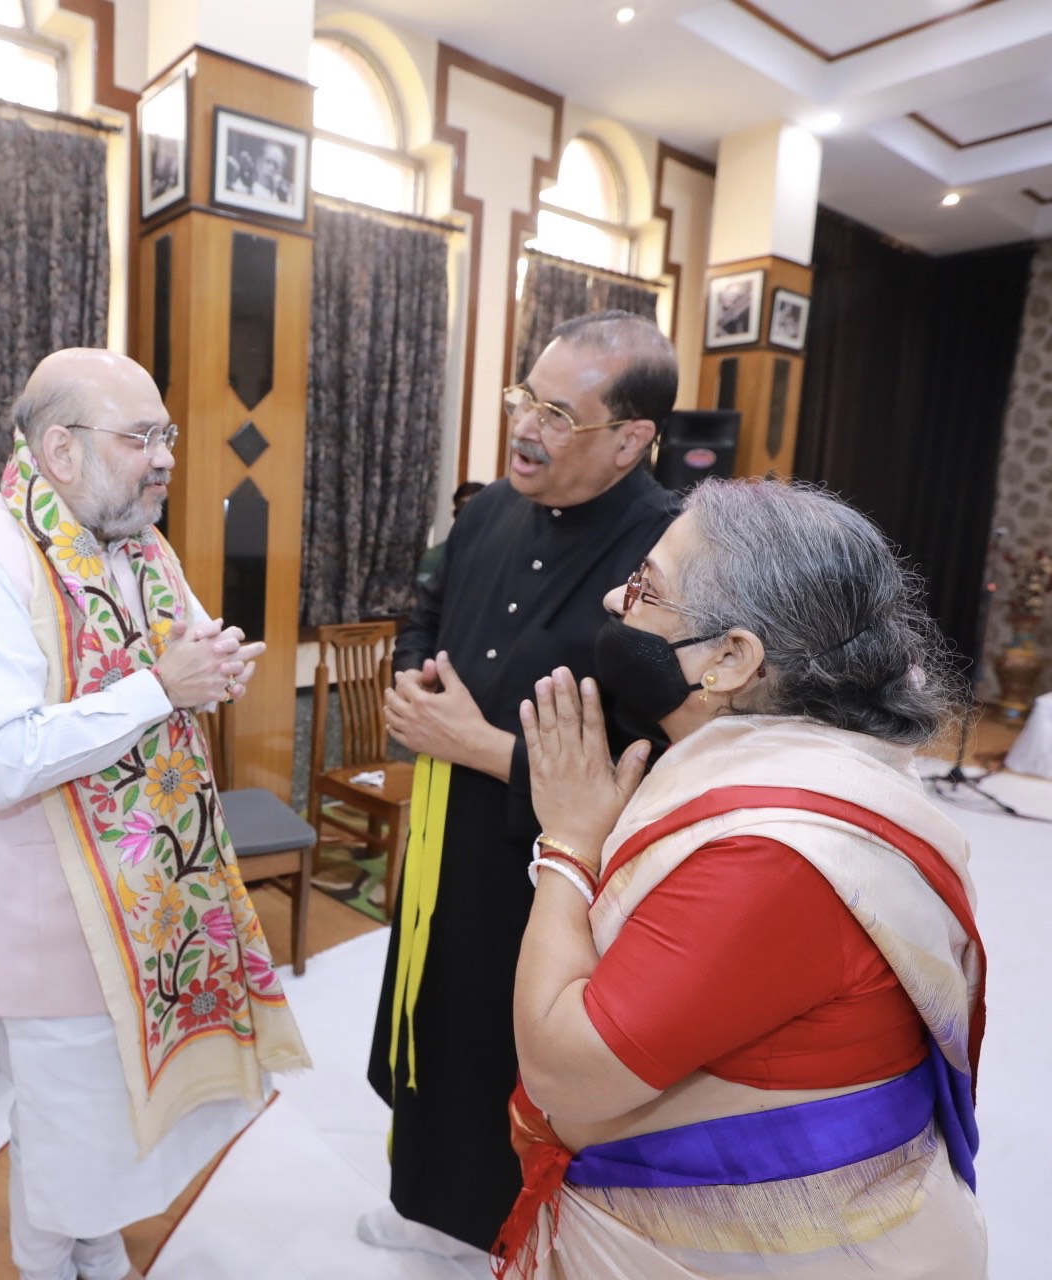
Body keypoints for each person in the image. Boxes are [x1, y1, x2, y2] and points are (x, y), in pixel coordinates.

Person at [499, 477, 987, 1278]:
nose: (618, 601)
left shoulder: (775, 855)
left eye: (647, 588)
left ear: (730, 658)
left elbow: (564, 1070)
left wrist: (568, 843)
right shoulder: (787, 761)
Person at [0, 348, 310, 1280]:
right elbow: (2, 762)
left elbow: (177, 653)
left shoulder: (135, 546)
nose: (166, 457)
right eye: (142, 437)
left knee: (118, 1121)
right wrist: (165, 689)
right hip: (52, 919)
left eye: (166, 435)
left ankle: (97, 1245)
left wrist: (207, 665)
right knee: (67, 1130)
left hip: (151, 901)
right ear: (60, 449)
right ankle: (54, 1261)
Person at [363, 311, 682, 1258]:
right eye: (522, 397)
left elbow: (658, 764)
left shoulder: (672, 560)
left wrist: (487, 749)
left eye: (555, 411)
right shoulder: (489, 505)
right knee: (430, 1006)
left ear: (630, 440)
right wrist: (417, 683)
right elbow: (427, 609)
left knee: (514, 1044)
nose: (524, 427)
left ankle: (509, 1235)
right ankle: (420, 1197)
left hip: (557, 870)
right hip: (447, 832)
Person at [414, 480, 485, 589]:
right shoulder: (435, 558)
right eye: (463, 510)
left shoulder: (502, 557)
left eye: (478, 510)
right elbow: (425, 601)